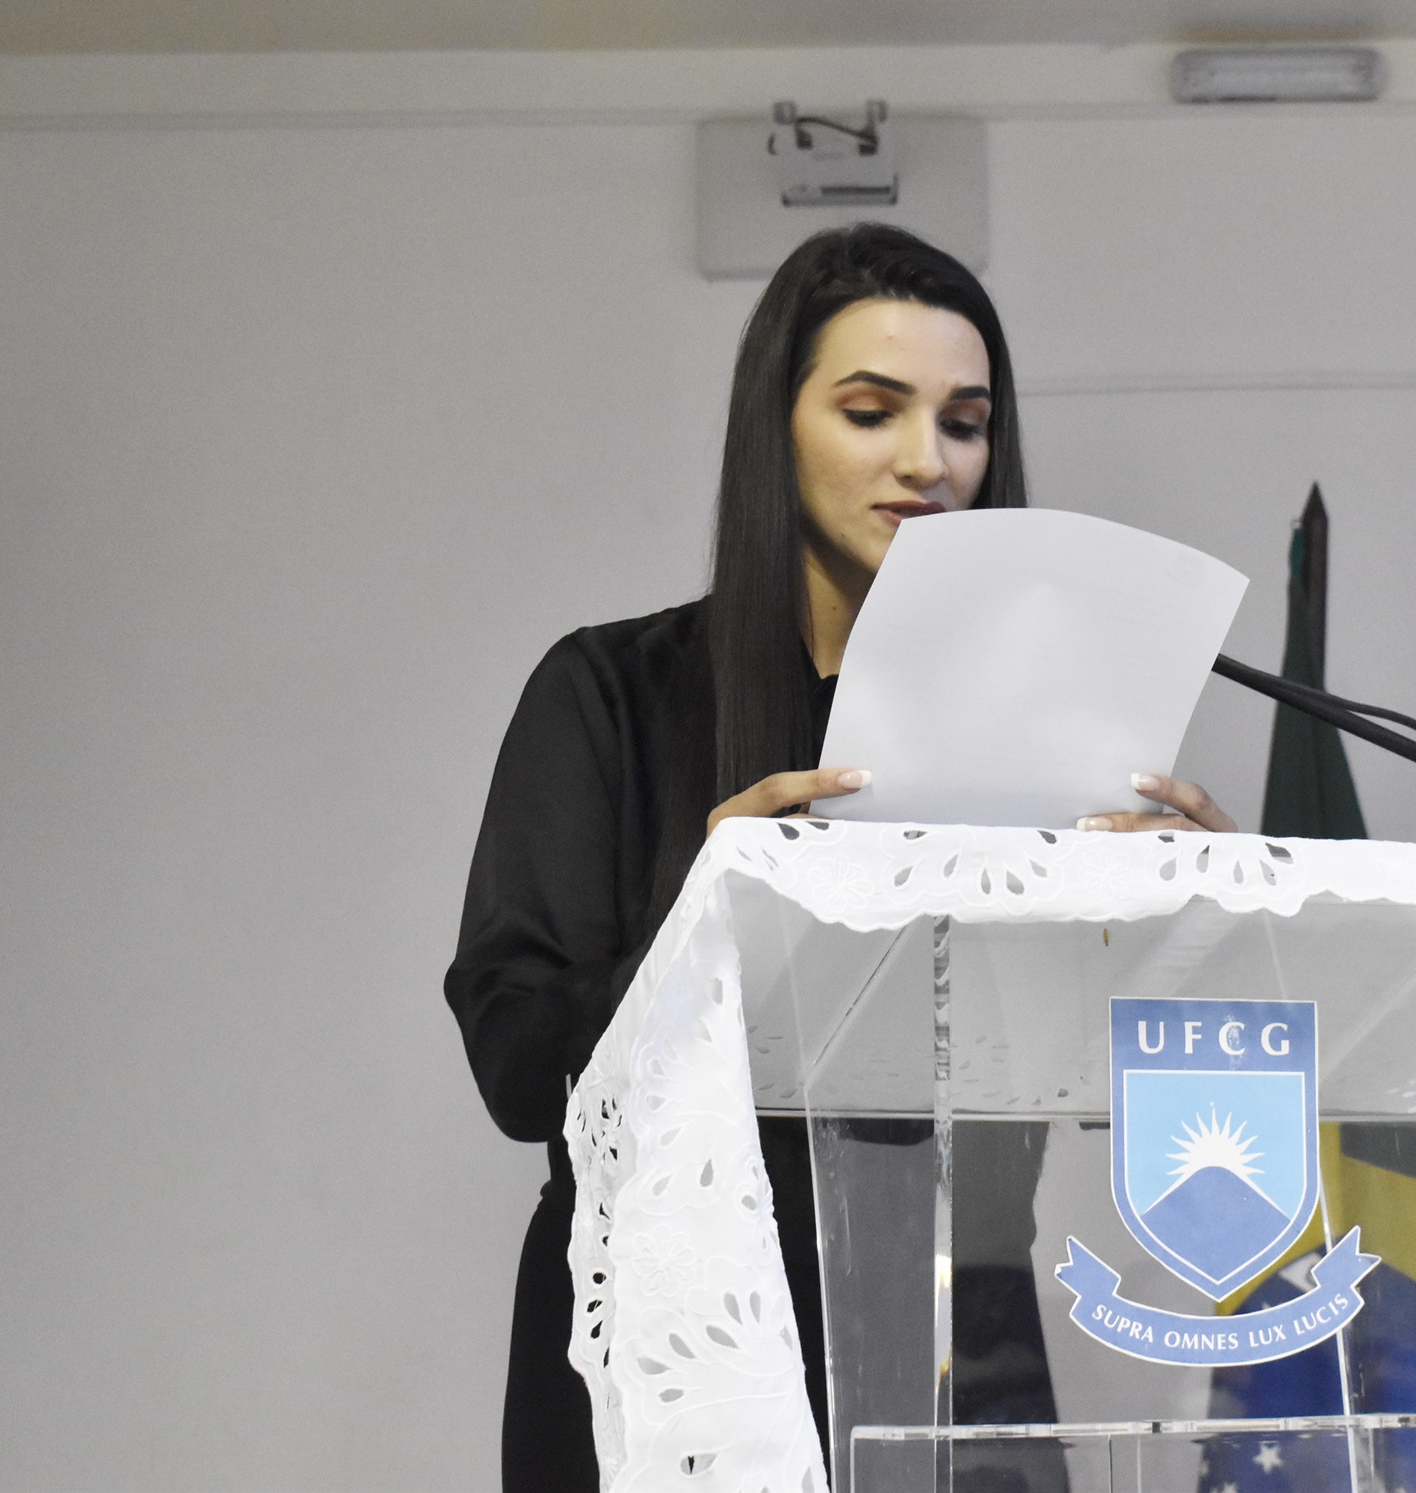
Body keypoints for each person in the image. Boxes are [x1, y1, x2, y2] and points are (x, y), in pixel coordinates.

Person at [443, 223, 1236, 1491]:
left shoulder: (1055, 740)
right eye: (872, 411)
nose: (929, 460)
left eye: (965, 423)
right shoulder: (611, 693)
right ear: (778, 426)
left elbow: (1110, 1090)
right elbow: (519, 1068)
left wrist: (1199, 924)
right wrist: (712, 910)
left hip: (959, 1339)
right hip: (662, 1347)